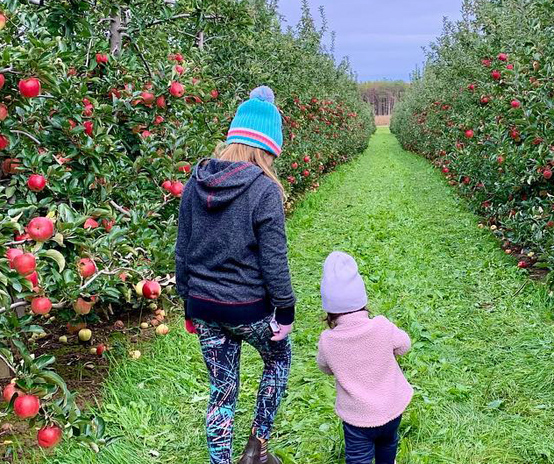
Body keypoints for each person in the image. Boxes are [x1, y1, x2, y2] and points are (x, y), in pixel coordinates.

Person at [175, 86, 296, 464]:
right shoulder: (263, 189)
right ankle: (256, 450)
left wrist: (188, 304)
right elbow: (274, 259)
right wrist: (286, 310)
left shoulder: (195, 182)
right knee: (277, 360)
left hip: (204, 306)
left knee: (221, 392)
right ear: (268, 147)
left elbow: (183, 249)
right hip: (248, 308)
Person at [316, 251, 413, 464]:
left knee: (358, 457)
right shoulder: (381, 326)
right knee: (388, 443)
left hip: (357, 419)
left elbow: (324, 367)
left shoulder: (328, 340)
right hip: (391, 408)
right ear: (362, 300)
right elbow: (404, 345)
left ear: (329, 310)